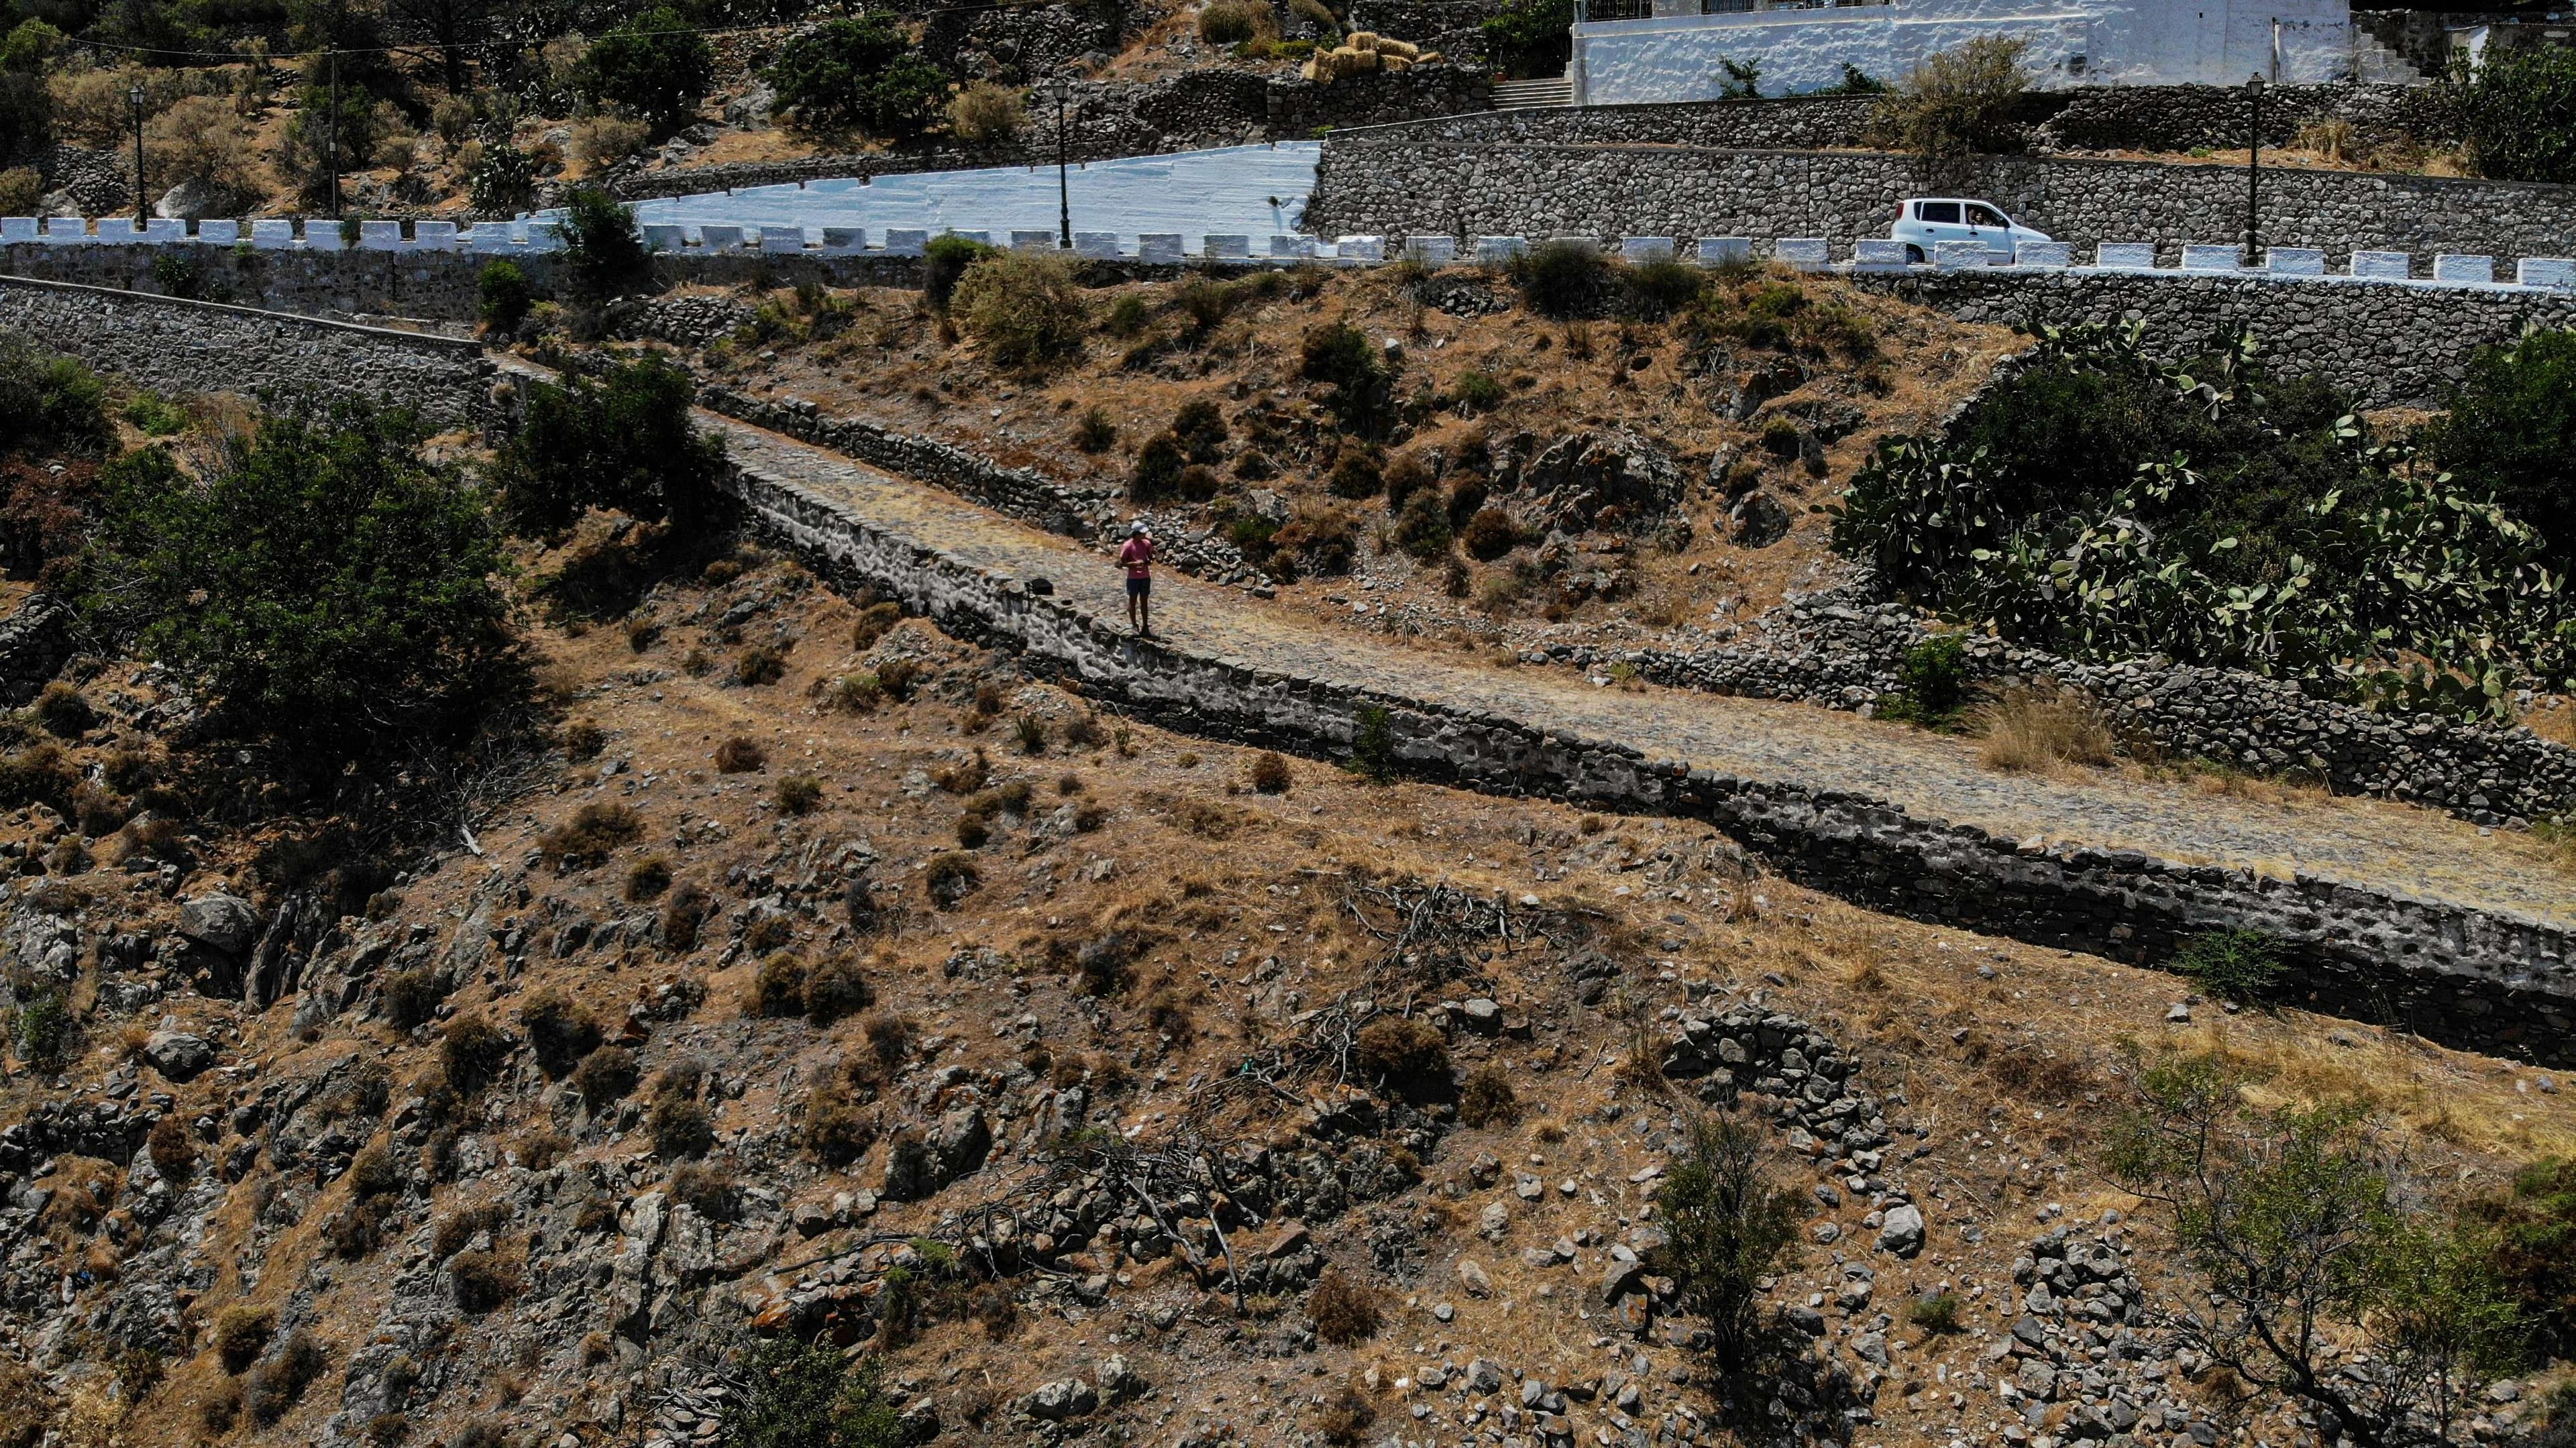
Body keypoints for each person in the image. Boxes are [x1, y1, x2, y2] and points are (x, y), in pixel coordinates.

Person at [1118, 521, 1156, 636]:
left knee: (1144, 602)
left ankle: (1145, 626)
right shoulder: (1128, 546)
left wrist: (1149, 560)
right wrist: (1134, 564)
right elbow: (1121, 563)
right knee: (1133, 601)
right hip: (1133, 578)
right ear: (1136, 534)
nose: (1145, 536)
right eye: (1142, 533)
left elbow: (1150, 558)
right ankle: (1134, 625)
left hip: (1145, 577)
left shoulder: (1146, 544)